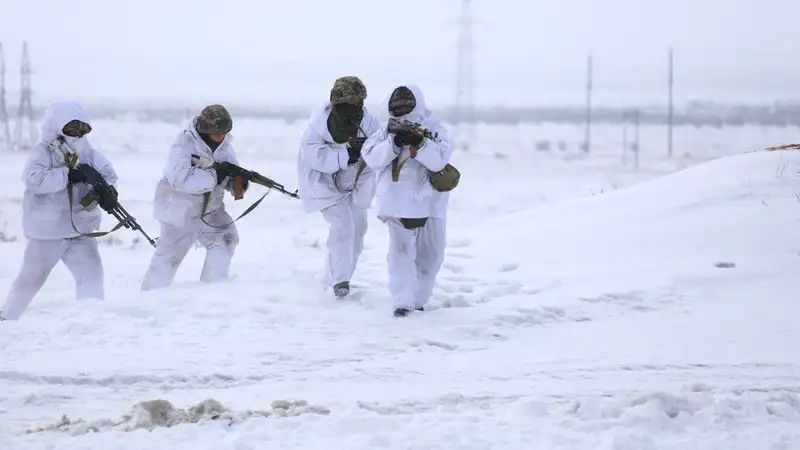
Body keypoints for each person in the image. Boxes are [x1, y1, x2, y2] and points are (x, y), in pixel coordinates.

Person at [0, 101, 119, 321]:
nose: (77, 132)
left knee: (92, 277)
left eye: (81, 127)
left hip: (80, 231)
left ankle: (90, 321)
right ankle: (7, 318)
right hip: (48, 232)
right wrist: (66, 176)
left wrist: (107, 191)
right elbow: (33, 180)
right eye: (72, 126)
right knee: (30, 280)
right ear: (57, 124)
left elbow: (108, 174)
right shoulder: (43, 151)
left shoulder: (87, 151)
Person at [361, 85, 454, 317]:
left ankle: (418, 300)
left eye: (407, 104)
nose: (402, 109)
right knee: (400, 251)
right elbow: (371, 156)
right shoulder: (385, 131)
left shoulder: (435, 129)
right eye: (397, 105)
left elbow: (439, 161)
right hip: (396, 199)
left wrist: (420, 143)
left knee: (431, 254)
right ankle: (402, 303)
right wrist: (394, 144)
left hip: (431, 201)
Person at [141, 104, 246, 291]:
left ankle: (212, 289)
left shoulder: (224, 146)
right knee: (169, 257)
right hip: (179, 210)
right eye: (217, 132)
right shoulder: (184, 144)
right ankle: (148, 298)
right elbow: (181, 179)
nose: (221, 137)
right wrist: (214, 176)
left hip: (210, 210)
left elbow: (230, 172)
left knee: (226, 238)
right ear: (206, 130)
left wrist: (238, 183)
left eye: (224, 132)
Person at [296, 76, 381, 297]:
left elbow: (378, 152)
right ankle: (340, 281)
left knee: (358, 229)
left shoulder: (370, 123)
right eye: (346, 103)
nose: (351, 107)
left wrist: (365, 153)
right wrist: (346, 154)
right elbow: (313, 156)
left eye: (356, 102)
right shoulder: (318, 125)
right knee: (343, 225)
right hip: (324, 184)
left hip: (356, 183)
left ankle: (333, 277)